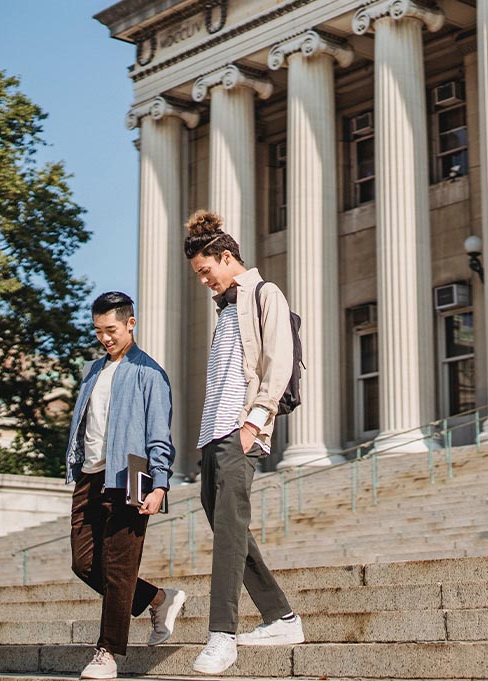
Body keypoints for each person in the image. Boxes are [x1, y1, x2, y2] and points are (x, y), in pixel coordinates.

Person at [184, 211, 305, 675]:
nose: (204, 282)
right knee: (225, 524)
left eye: (206, 272)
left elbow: (279, 360)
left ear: (226, 257)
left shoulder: (264, 294)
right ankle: (281, 616)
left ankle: (222, 635)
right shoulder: (227, 309)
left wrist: (255, 422)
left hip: (241, 430)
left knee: (230, 525)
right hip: (213, 432)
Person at [65, 291, 186, 680]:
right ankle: (157, 598)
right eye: (99, 331)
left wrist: (160, 485)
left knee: (119, 568)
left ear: (130, 323)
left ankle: (107, 653)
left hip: (131, 474)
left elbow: (159, 437)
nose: (105, 338)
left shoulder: (150, 373)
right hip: (90, 474)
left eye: (111, 329)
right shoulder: (91, 372)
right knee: (84, 562)